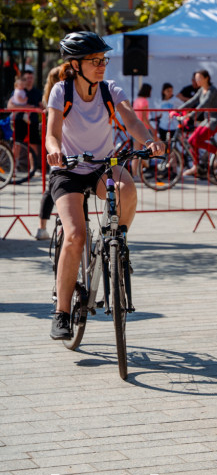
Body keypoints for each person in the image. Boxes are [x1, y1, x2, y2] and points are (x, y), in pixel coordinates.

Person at [44, 32, 163, 340]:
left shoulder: (110, 90)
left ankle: (117, 241)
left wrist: (148, 140)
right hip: (68, 170)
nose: (101, 66)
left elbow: (131, 121)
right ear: (75, 64)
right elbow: (52, 133)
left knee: (128, 189)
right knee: (75, 235)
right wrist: (54, 149)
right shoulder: (62, 91)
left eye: (103, 60)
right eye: (94, 61)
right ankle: (61, 312)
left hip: (102, 166)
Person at [179, 70, 217, 176]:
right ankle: (196, 165)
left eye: (199, 78)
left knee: (197, 140)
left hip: (216, 120)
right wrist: (177, 110)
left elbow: (204, 104)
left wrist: (190, 115)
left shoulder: (212, 90)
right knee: (191, 140)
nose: (197, 81)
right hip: (207, 120)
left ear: (206, 78)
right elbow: (192, 101)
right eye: (196, 78)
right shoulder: (201, 90)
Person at [35, 67, 63, 241]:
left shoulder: (50, 93)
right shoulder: (59, 93)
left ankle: (43, 227)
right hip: (55, 141)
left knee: (53, 187)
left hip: (52, 140)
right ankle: (46, 227)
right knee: (56, 185)